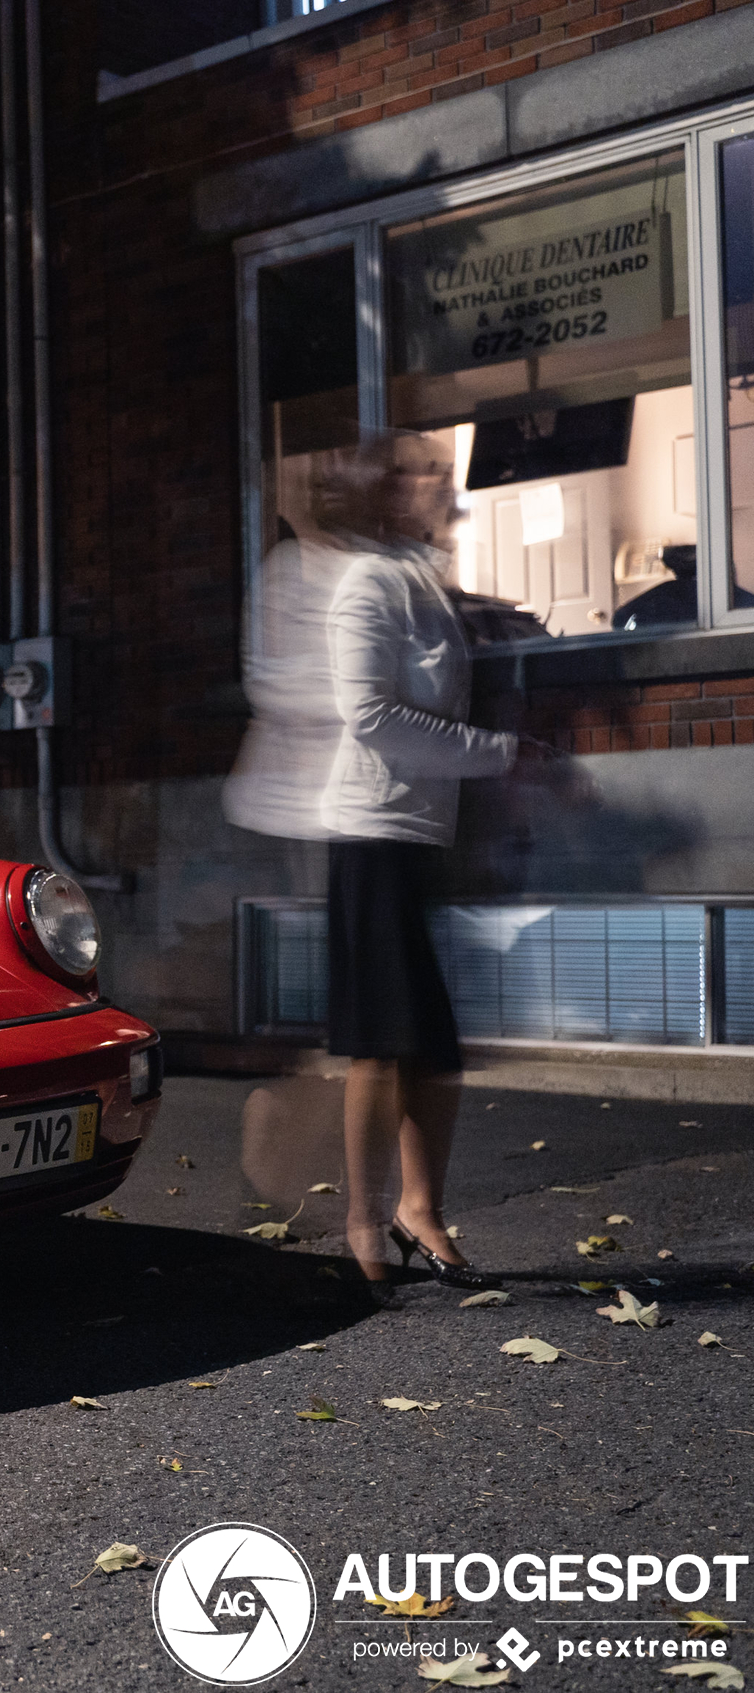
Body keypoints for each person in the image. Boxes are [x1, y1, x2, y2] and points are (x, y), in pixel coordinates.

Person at [315, 431, 559, 1290]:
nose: (437, 483)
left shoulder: (425, 581)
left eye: (440, 470)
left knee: (432, 1043)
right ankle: (363, 1221)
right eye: (418, 471)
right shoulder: (368, 584)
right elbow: (371, 716)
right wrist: (500, 753)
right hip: (372, 833)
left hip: (423, 835)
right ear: (382, 493)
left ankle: (419, 1209)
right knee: (385, 1041)